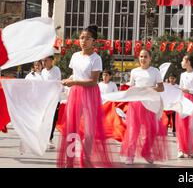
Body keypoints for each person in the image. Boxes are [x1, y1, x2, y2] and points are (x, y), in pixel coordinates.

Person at [58, 25, 112, 168]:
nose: (84, 41)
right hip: (75, 94)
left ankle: (85, 159)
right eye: (82, 38)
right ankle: (69, 161)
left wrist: (74, 81)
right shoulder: (75, 56)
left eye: (88, 38)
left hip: (89, 93)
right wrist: (69, 80)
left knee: (89, 130)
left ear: (94, 41)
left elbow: (93, 81)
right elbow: (74, 74)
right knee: (71, 128)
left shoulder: (96, 58)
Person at [120, 49, 168, 165]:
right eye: (141, 56)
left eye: (145, 56)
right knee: (133, 130)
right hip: (136, 104)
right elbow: (131, 88)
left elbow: (161, 88)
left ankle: (146, 152)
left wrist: (148, 90)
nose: (143, 59)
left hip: (151, 103)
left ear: (150, 58)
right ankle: (130, 155)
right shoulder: (134, 71)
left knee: (153, 129)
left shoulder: (155, 71)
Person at [41, 56, 62, 150]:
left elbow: (54, 84)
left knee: (53, 119)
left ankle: (49, 139)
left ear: (51, 60)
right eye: (42, 61)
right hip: (45, 100)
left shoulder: (56, 70)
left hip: (54, 99)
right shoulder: (43, 71)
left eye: (46, 60)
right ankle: (44, 138)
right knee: (45, 119)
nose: (43, 62)